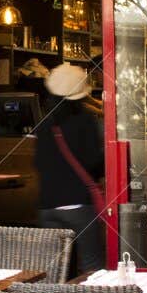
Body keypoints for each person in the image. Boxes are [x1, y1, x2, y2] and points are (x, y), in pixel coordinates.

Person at [34, 64, 105, 275]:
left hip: (47, 207)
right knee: (91, 269)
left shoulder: (45, 124)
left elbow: (38, 163)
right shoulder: (86, 121)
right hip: (79, 206)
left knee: (54, 271)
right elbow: (94, 162)